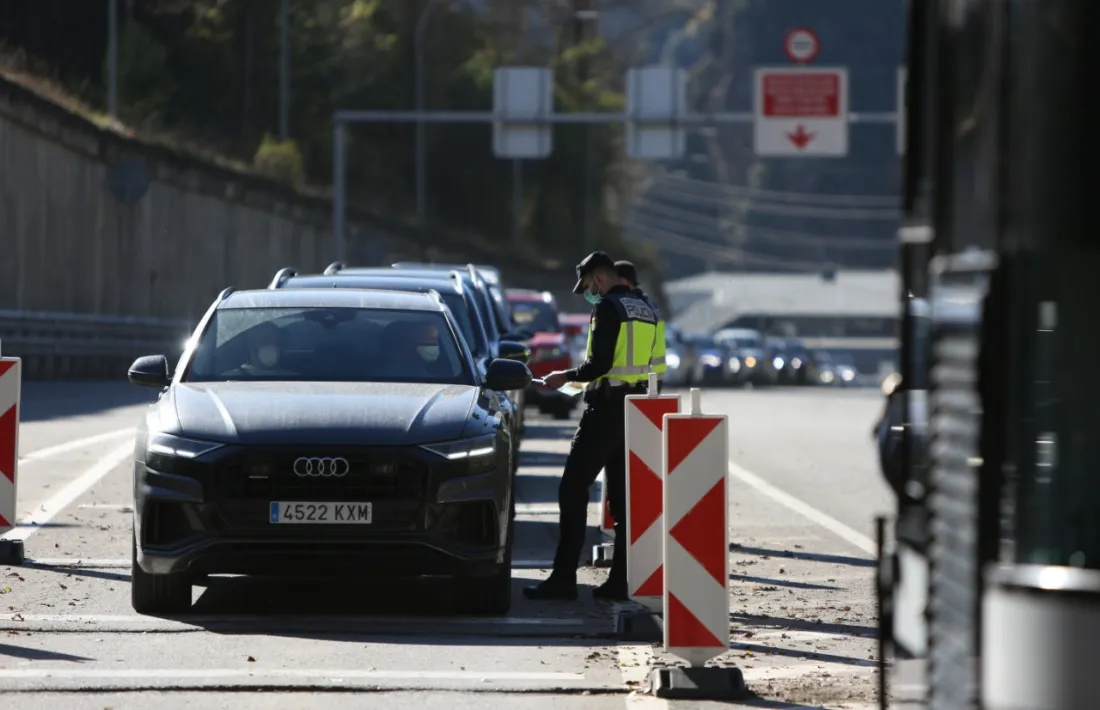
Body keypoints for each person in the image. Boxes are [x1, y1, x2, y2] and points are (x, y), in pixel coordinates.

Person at [524, 251, 660, 602]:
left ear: (598, 279)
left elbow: (598, 363)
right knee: (621, 500)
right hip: (634, 408)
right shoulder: (645, 308)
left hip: (604, 412)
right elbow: (646, 364)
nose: (588, 292)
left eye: (587, 285)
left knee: (572, 490)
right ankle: (620, 582)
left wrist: (563, 378)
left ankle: (564, 578)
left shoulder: (606, 308)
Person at [615, 260, 667, 386]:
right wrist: (657, 383)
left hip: (617, 386)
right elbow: (659, 349)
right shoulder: (652, 307)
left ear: (622, 281)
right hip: (647, 384)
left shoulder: (617, 306)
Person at [228, 322, 295, 377]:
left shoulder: (293, 379)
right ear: (250, 344)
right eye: (265, 340)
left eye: (277, 342)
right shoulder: (230, 378)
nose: (272, 345)